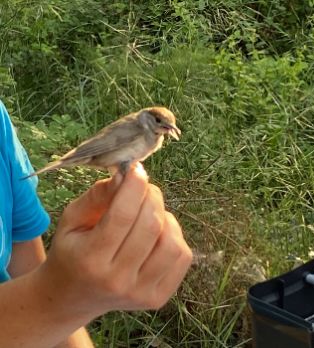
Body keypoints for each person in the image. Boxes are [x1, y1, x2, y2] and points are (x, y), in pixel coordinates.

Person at [0, 100, 193, 348]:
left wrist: (61, 293)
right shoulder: (136, 129)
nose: (165, 129)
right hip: (99, 153)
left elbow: (28, 268)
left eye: (168, 126)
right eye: (160, 123)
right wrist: (66, 293)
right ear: (148, 119)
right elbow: (106, 142)